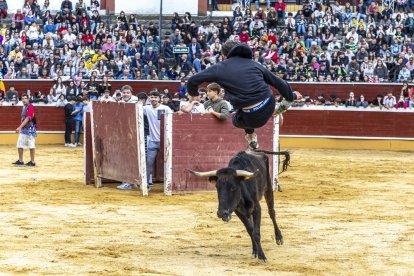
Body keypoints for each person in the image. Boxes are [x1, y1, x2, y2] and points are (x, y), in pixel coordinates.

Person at [187, 40, 301, 149]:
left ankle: (251, 137)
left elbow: (192, 81)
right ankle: (281, 106)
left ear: (225, 55)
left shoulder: (219, 67)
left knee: (236, 118)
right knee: (252, 103)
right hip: (269, 103)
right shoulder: (255, 64)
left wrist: (194, 95)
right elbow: (278, 82)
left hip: (250, 118)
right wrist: (291, 97)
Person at [143, 90, 172, 190]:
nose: (153, 99)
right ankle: (146, 184)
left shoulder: (166, 108)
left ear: (159, 99)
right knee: (149, 163)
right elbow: (134, 109)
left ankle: (169, 183)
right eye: (151, 97)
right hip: (153, 141)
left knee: (169, 162)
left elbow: (173, 120)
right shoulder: (146, 108)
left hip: (165, 141)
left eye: (155, 97)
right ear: (149, 98)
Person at [13, 94, 37, 166]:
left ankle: (32, 162)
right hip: (24, 129)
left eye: (25, 98)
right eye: (22, 99)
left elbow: (28, 118)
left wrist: (20, 127)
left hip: (30, 129)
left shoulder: (30, 106)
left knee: (31, 145)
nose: (23, 100)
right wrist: (21, 127)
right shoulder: (24, 107)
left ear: (28, 99)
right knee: (19, 144)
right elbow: (23, 118)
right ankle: (20, 160)